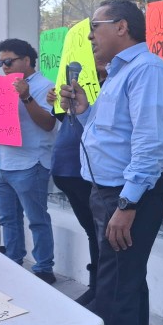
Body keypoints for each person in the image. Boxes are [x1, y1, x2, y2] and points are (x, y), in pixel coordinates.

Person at [60, 0, 163, 325]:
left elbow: (150, 144)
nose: (90, 36)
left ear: (123, 28)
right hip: (109, 194)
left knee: (115, 299)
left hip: (127, 198)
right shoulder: (119, 73)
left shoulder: (147, 71)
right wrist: (82, 111)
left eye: (96, 27)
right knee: (127, 291)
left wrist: (127, 204)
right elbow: (115, 133)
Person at [0, 38, 57, 283]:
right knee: (7, 219)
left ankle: (43, 268)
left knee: (37, 219)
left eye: (9, 61)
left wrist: (26, 97)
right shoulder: (1, 86)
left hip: (30, 163)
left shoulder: (44, 86)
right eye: (0, 62)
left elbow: (49, 123)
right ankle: (14, 263)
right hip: (1, 163)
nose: (4, 67)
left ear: (27, 60)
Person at [46, 63, 107, 305]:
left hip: (87, 172)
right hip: (67, 169)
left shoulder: (116, 86)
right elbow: (66, 120)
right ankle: (96, 288)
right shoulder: (79, 87)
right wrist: (57, 103)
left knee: (100, 233)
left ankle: (100, 290)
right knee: (93, 232)